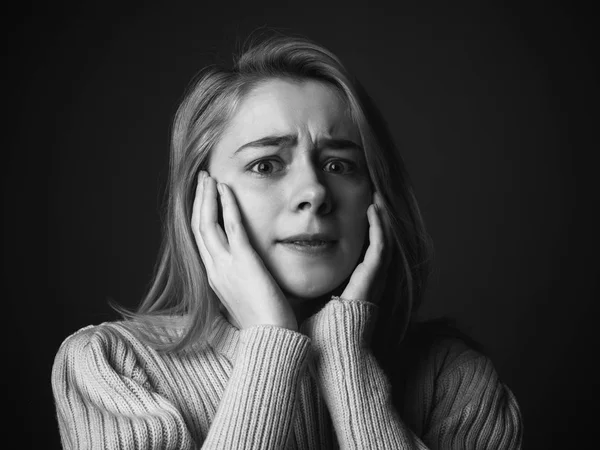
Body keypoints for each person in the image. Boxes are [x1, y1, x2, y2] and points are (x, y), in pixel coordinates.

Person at [51, 32, 523, 449]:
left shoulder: (450, 379)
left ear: (377, 195)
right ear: (202, 198)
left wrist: (345, 357)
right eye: (266, 165)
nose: (315, 193)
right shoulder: (112, 366)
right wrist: (271, 343)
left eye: (340, 165)